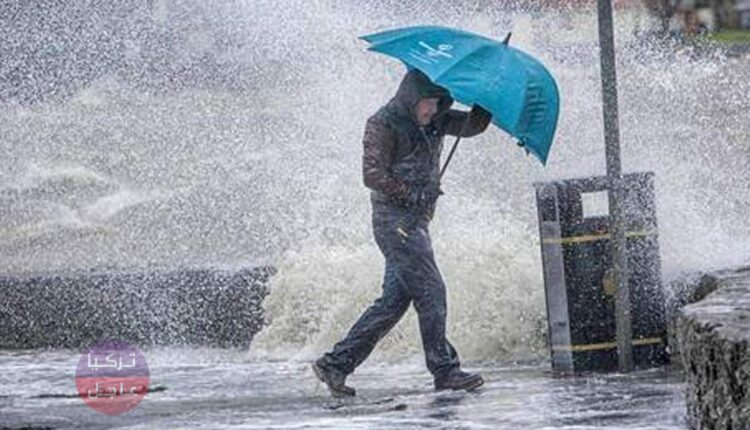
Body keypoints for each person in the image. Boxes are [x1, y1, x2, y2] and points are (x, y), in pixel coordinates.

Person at [312, 69, 492, 397]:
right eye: (427, 103)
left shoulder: (436, 119)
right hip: (393, 222)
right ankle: (445, 371)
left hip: (416, 222)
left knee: (393, 302)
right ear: (411, 98)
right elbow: (371, 175)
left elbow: (472, 126)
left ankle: (335, 364)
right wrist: (412, 194)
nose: (432, 110)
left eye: (438, 103)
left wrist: (486, 99)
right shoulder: (383, 123)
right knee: (432, 291)